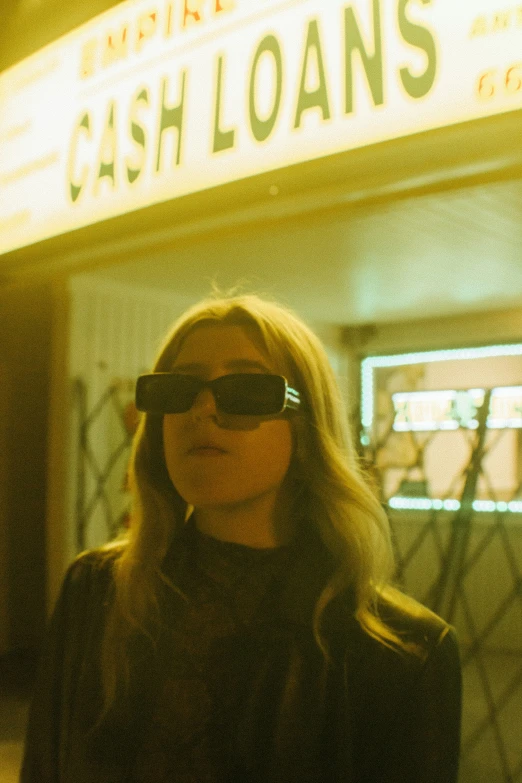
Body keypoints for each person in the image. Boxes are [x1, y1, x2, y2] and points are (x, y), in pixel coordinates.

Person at [21, 292, 461, 783]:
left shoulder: (401, 653)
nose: (202, 409)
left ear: (308, 427)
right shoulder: (97, 592)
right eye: (178, 389)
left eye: (247, 390)